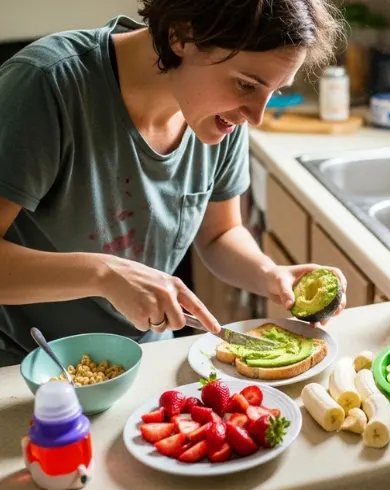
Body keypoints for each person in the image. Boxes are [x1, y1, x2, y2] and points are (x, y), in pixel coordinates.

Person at [0, 0, 348, 367]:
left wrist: (269, 274)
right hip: (24, 368)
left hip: (144, 359)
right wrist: (104, 274)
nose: (256, 116)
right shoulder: (46, 86)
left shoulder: (222, 115)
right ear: (181, 36)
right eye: (246, 84)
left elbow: (220, 234)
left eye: (274, 91)